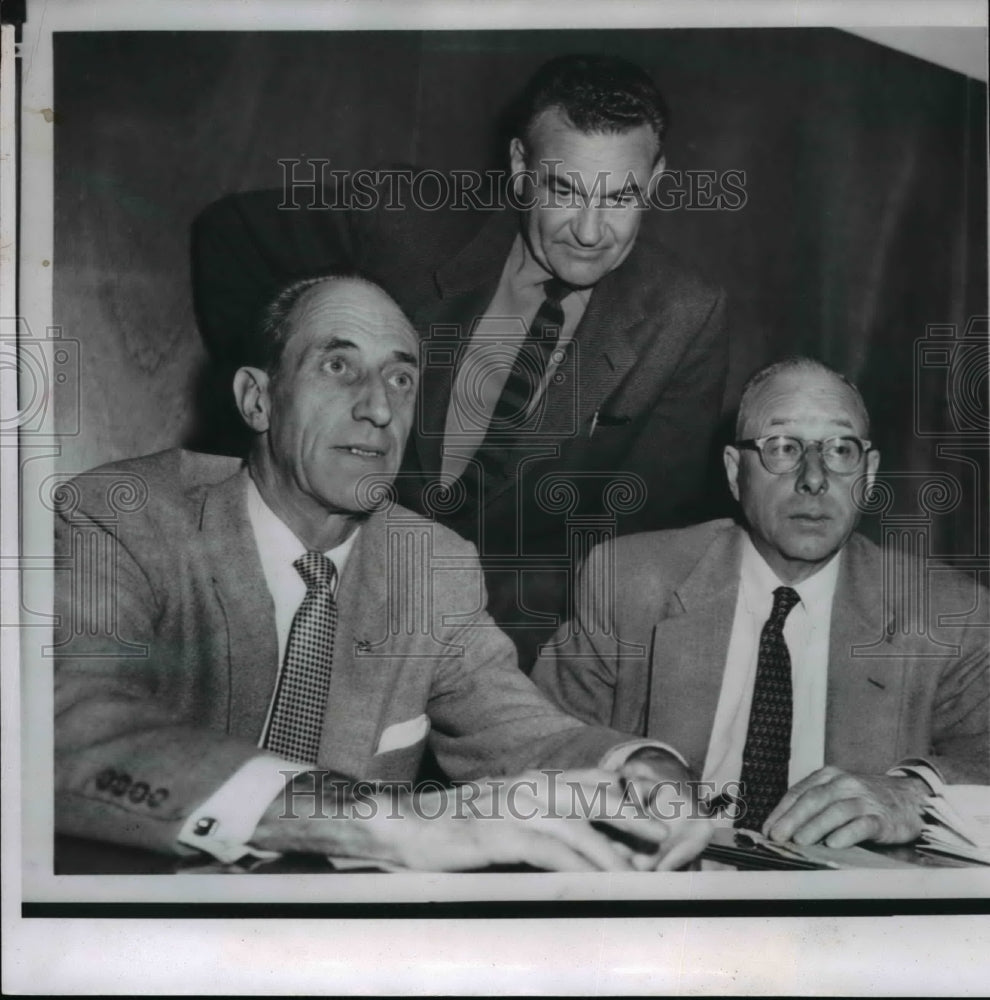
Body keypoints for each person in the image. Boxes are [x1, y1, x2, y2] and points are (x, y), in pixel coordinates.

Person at [53, 275, 713, 872]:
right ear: (257, 400)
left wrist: (637, 767)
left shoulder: (432, 563)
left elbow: (522, 731)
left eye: (400, 379)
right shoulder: (126, 518)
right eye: (338, 366)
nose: (378, 408)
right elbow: (70, 730)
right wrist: (376, 821)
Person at [191, 53, 728, 671]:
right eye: (563, 188)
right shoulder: (404, 221)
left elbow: (636, 546)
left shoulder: (686, 315)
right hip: (309, 586)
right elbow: (230, 233)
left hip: (505, 647)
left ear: (656, 179)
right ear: (522, 167)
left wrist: (479, 646)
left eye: (621, 196)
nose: (589, 230)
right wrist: (286, 396)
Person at [532, 357, 989, 849]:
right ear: (734, 472)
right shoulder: (630, 579)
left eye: (840, 449)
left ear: (869, 473)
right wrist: (627, 764)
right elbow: (533, 740)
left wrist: (916, 793)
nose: (814, 478)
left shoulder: (947, 612)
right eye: (783, 447)